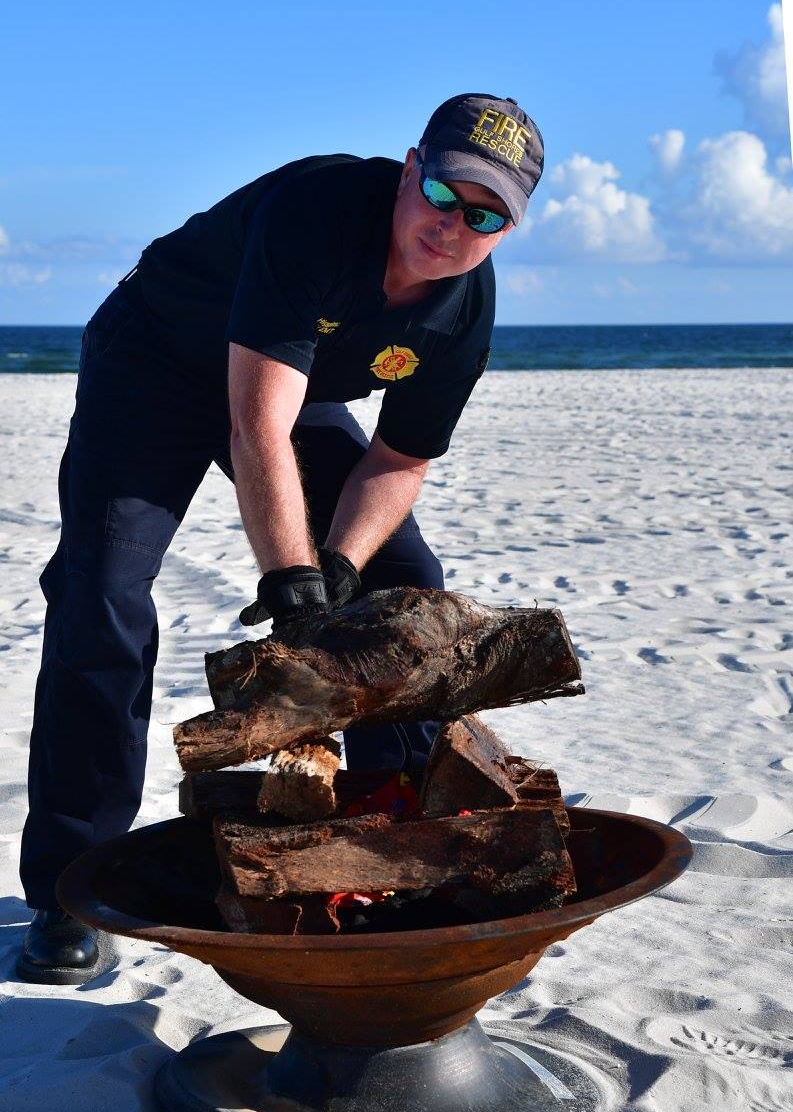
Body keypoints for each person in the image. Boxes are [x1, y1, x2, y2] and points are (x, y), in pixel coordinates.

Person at [17, 92, 544, 983]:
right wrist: (294, 584)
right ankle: (68, 890)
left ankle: (390, 841)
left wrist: (340, 563)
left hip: (288, 388)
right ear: (410, 170)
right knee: (100, 594)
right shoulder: (318, 214)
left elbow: (398, 459)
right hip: (156, 361)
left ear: (508, 227)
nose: (452, 226)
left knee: (404, 584)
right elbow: (254, 427)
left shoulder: (461, 312)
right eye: (443, 194)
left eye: (483, 216)